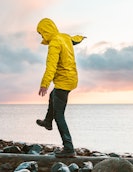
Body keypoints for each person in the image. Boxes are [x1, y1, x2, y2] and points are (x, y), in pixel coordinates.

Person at [36, 18, 85, 158]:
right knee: (53, 96)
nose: (42, 36)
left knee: (59, 115)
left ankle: (69, 148)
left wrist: (44, 84)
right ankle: (47, 121)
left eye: (41, 33)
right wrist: (81, 38)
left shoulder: (54, 43)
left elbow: (51, 66)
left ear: (46, 30)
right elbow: (74, 39)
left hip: (64, 82)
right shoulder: (64, 37)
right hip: (71, 79)